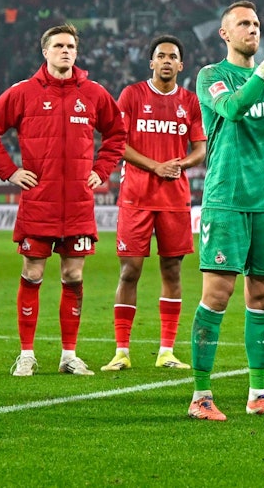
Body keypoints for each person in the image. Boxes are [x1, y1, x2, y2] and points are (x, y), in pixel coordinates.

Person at [0, 23, 127, 377]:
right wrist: (10, 172)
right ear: (45, 52)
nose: (65, 51)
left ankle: (68, 355)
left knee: (73, 275)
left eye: (71, 46)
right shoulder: (23, 92)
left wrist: (102, 170)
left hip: (77, 203)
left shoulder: (93, 93)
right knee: (32, 272)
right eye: (58, 45)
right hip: (38, 202)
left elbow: (117, 133)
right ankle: (27, 354)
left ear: (77, 52)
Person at [187, 2, 264, 421]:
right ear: (224, 33)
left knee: (263, 298)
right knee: (216, 296)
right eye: (243, 24)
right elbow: (235, 108)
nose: (253, 30)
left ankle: (259, 394)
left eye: (257, 24)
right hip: (227, 200)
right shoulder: (210, 76)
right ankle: (201, 396)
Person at [102, 35, 207, 373]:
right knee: (130, 269)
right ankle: (121, 351)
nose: (165, 61)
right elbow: (118, 143)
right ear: (151, 62)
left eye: (172, 56)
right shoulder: (132, 95)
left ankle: (166, 351)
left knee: (172, 270)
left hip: (174, 199)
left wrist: (182, 164)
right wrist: (155, 166)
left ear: (180, 65)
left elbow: (201, 148)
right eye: (160, 56)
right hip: (135, 196)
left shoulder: (189, 101)